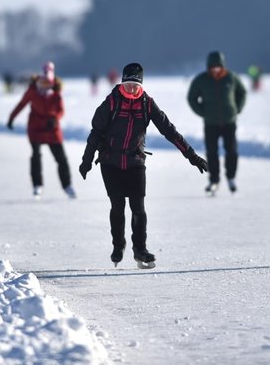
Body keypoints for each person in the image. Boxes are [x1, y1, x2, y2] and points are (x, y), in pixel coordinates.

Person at [79, 62, 209, 269]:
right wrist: (86, 161)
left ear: (142, 87)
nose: (131, 90)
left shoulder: (147, 104)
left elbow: (170, 131)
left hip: (135, 161)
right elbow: (95, 133)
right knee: (118, 206)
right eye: (127, 85)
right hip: (110, 162)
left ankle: (140, 249)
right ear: (121, 84)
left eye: (135, 86)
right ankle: (118, 245)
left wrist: (192, 156)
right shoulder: (111, 102)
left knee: (138, 207)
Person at [7, 61, 75, 199]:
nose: (44, 86)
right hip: (35, 128)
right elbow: (21, 104)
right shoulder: (32, 92)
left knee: (61, 158)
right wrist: (11, 118)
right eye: (42, 83)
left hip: (52, 129)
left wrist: (55, 118)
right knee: (36, 155)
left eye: (47, 84)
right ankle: (37, 185)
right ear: (38, 81)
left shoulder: (56, 94)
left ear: (52, 83)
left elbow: (61, 111)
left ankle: (67, 185)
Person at [187, 51, 247, 195]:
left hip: (229, 122)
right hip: (211, 123)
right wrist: (202, 112)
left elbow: (242, 92)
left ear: (222, 66)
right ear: (208, 66)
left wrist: (237, 109)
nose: (215, 69)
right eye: (212, 66)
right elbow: (191, 98)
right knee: (212, 152)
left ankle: (231, 178)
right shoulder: (201, 80)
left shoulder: (231, 78)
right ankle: (214, 180)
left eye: (218, 66)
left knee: (231, 151)